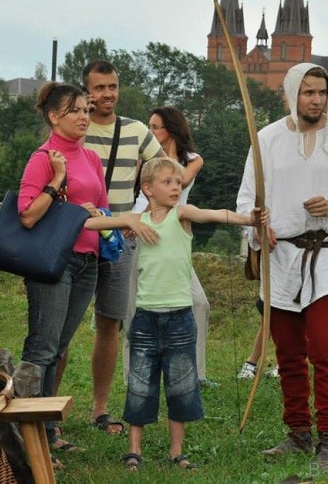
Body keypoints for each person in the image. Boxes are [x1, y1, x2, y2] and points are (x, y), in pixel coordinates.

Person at [236, 63, 328, 465]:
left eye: (321, 92)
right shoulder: (266, 139)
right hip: (280, 258)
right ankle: (298, 432)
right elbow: (247, 198)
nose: (316, 99)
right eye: (308, 92)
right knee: (288, 353)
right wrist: (256, 225)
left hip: (325, 259)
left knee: (325, 347)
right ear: (291, 93)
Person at [85, 157, 268, 470]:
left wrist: (250, 220)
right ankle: (134, 450)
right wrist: (130, 221)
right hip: (145, 319)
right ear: (147, 189)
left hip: (180, 318)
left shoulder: (181, 214)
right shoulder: (137, 219)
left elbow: (214, 214)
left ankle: (176, 451)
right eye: (167, 182)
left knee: (181, 386)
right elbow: (90, 224)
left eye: (177, 182)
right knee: (140, 386)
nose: (175, 187)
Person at [17, 81, 155, 453]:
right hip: (54, 263)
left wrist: (106, 217)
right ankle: (28, 436)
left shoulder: (90, 158)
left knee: (59, 346)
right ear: (53, 116)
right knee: (42, 348)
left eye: (85, 109)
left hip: (88, 261)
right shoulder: (43, 157)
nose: (84, 116)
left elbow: (98, 209)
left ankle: (47, 432)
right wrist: (57, 182)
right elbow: (28, 215)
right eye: (75, 110)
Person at [81, 60, 163, 433]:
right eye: (98, 88)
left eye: (112, 87)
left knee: (110, 324)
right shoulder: (75, 131)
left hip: (119, 241)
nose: (107, 95)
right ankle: (48, 409)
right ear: (86, 92)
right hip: (78, 240)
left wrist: (140, 214)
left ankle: (99, 408)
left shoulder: (136, 130)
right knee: (62, 330)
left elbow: (164, 173)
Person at [127, 107, 217, 388]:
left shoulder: (192, 160)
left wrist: (165, 153)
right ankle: (133, 374)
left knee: (199, 303)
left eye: (156, 127)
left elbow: (182, 178)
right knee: (134, 307)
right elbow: (141, 190)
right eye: (149, 127)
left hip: (174, 237)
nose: (150, 132)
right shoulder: (146, 159)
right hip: (144, 228)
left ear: (172, 130)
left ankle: (197, 374)